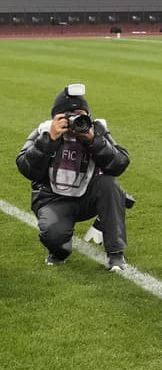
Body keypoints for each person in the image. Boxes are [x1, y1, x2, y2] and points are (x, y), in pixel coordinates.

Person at [16, 84, 131, 271]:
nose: (76, 120)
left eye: (81, 114)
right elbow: (26, 168)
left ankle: (116, 253)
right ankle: (59, 250)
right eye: (70, 115)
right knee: (54, 236)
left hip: (88, 197)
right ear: (57, 117)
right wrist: (49, 141)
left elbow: (120, 163)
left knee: (109, 183)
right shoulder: (45, 131)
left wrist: (93, 141)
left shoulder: (95, 129)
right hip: (53, 199)